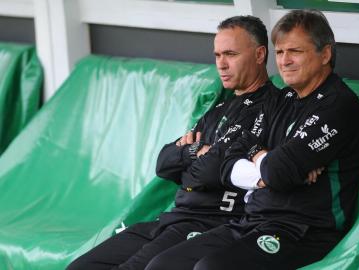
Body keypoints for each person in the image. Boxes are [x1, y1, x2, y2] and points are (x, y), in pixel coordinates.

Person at [143, 9, 359, 270]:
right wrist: (266, 163)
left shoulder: (338, 105)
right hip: (251, 221)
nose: (285, 61)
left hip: (304, 231)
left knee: (211, 268)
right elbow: (232, 158)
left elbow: (277, 169)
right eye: (281, 52)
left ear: (325, 54)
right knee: (163, 265)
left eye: (295, 51)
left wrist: (264, 159)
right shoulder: (283, 100)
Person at [67, 15, 282, 270]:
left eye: (231, 54)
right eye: (217, 55)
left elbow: (211, 171)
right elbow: (164, 163)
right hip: (172, 219)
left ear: (259, 55)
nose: (221, 64)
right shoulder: (218, 109)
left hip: (211, 223)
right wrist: (194, 153)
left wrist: (195, 160)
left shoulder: (273, 107)